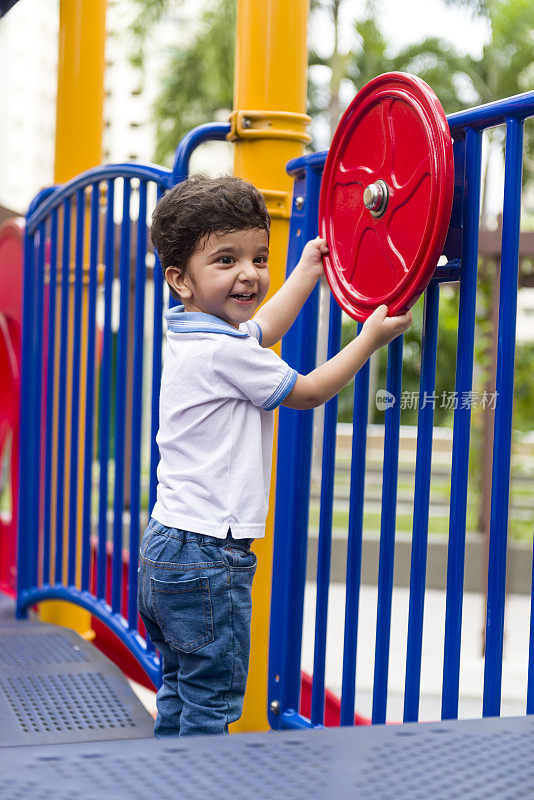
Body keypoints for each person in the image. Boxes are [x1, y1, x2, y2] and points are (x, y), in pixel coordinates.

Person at [137, 175, 412, 737]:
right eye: (225, 260)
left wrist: (306, 272)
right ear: (180, 280)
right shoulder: (223, 351)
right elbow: (307, 392)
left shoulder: (193, 333)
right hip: (209, 556)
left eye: (259, 257)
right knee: (212, 702)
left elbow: (259, 331)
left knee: (180, 687)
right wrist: (368, 339)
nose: (248, 273)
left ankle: (162, 780)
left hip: (165, 546)